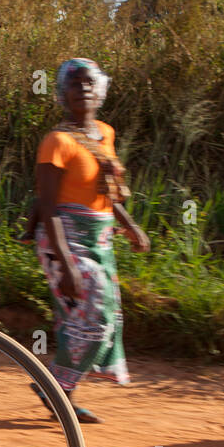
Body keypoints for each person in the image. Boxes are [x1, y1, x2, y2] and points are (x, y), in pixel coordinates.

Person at [30, 58, 149, 423]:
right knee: (94, 307)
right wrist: (65, 263)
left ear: (102, 91)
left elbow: (107, 192)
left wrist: (129, 226)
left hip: (100, 236)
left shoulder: (105, 134)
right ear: (62, 94)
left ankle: (59, 390)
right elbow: (48, 207)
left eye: (90, 83)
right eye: (75, 83)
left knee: (97, 316)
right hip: (62, 238)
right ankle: (56, 386)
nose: (83, 88)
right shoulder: (57, 141)